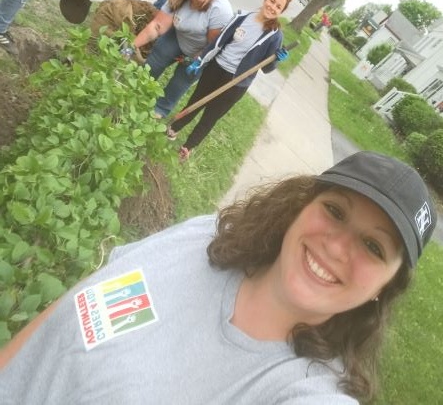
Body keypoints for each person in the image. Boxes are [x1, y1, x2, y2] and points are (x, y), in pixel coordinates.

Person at [0, 151, 436, 404]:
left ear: (385, 288)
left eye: (373, 247)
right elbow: (70, 309)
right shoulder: (200, 238)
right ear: (302, 206)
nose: (337, 247)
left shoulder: (300, 391)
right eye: (334, 210)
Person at [167, 0, 291, 161]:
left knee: (212, 116)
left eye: (278, 7)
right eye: (272, 1)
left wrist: (276, 60)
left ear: (281, 12)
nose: (273, 7)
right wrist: (200, 61)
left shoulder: (274, 36)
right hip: (216, 69)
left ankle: (188, 146)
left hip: (236, 83)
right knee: (196, 101)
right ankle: (174, 128)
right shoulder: (241, 17)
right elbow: (218, 42)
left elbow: (266, 68)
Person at [127, 0, 233, 118]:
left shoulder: (220, 9)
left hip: (204, 49)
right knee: (154, 62)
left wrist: (193, 60)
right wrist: (131, 46)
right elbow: (156, 26)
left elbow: (213, 45)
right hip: (179, 36)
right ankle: (135, 91)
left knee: (181, 80)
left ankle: (160, 110)